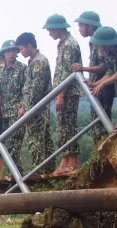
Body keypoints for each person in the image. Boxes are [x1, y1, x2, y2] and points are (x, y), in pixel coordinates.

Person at [44, 14, 82, 175]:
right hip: (63, 92)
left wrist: (60, 95)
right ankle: (65, 160)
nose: (49, 33)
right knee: (62, 127)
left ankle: (73, 162)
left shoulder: (69, 45)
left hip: (68, 92)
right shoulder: (63, 44)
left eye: (50, 30)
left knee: (68, 126)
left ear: (57, 28)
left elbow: (67, 72)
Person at [16, 32, 55, 176]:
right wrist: (23, 105)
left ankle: (38, 172)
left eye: (21, 49)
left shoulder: (38, 62)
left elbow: (36, 89)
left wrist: (26, 108)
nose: (20, 52)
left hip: (36, 109)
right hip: (34, 107)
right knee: (45, 140)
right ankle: (47, 170)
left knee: (36, 140)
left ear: (29, 46)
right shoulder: (33, 61)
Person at [72, 11, 112, 142]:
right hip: (97, 87)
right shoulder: (94, 40)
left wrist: (83, 68)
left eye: (81, 25)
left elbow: (104, 66)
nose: (79, 29)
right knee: (98, 122)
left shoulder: (99, 40)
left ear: (89, 26)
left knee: (101, 124)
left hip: (103, 87)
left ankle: (105, 152)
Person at [0, 40, 26, 181]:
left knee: (14, 144)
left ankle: (16, 175)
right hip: (4, 113)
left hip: (18, 113)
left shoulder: (23, 68)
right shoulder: (0, 71)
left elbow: (27, 90)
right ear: (3, 54)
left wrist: (23, 106)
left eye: (13, 50)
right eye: (8, 51)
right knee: (5, 146)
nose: (11, 53)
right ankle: (17, 173)